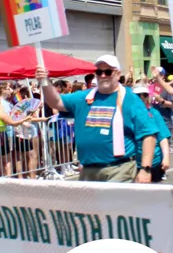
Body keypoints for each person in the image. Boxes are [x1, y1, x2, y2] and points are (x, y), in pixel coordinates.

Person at [37, 55, 157, 183]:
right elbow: (56, 102)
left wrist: (145, 169)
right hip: (88, 171)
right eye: (99, 72)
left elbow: (148, 134)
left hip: (119, 169)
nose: (103, 75)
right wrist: (45, 81)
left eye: (108, 72)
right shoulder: (84, 97)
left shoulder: (131, 99)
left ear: (118, 74)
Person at [132, 83, 171, 183]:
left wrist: (166, 158)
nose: (141, 98)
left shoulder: (154, 113)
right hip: (133, 162)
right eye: (138, 95)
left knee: (152, 190)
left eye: (144, 95)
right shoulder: (128, 114)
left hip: (154, 162)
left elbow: (163, 137)